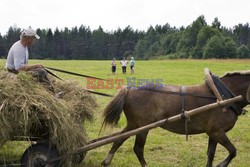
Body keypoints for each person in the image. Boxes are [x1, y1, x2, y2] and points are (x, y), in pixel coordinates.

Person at [5, 27, 54, 91]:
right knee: (41, 72)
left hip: (17, 72)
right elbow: (19, 68)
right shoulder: (19, 49)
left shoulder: (23, 46)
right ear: (29, 39)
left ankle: (47, 90)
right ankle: (51, 93)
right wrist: (36, 66)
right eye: (34, 38)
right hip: (14, 74)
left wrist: (36, 67)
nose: (34, 40)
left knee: (40, 70)